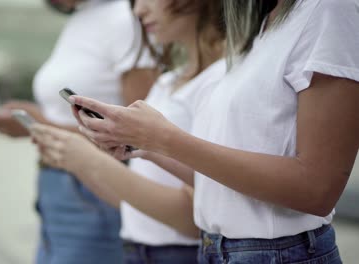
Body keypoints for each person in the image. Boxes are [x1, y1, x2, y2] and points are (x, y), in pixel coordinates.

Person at [54, 0, 359, 263]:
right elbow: (231, 187)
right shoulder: (265, 25)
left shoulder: (330, 9)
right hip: (218, 248)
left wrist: (162, 139)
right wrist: (148, 148)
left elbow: (316, 189)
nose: (137, 11)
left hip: (273, 252)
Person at [31, 0, 225, 263]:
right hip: (137, 245)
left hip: (174, 251)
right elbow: (132, 201)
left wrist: (88, 159)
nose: (137, 10)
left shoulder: (216, 82)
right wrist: (81, 161)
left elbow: (193, 215)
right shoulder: (168, 83)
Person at [0, 0, 157, 263]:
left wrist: (39, 124)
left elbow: (141, 139)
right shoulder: (82, 19)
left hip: (94, 191)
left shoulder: (125, 18)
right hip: (56, 187)